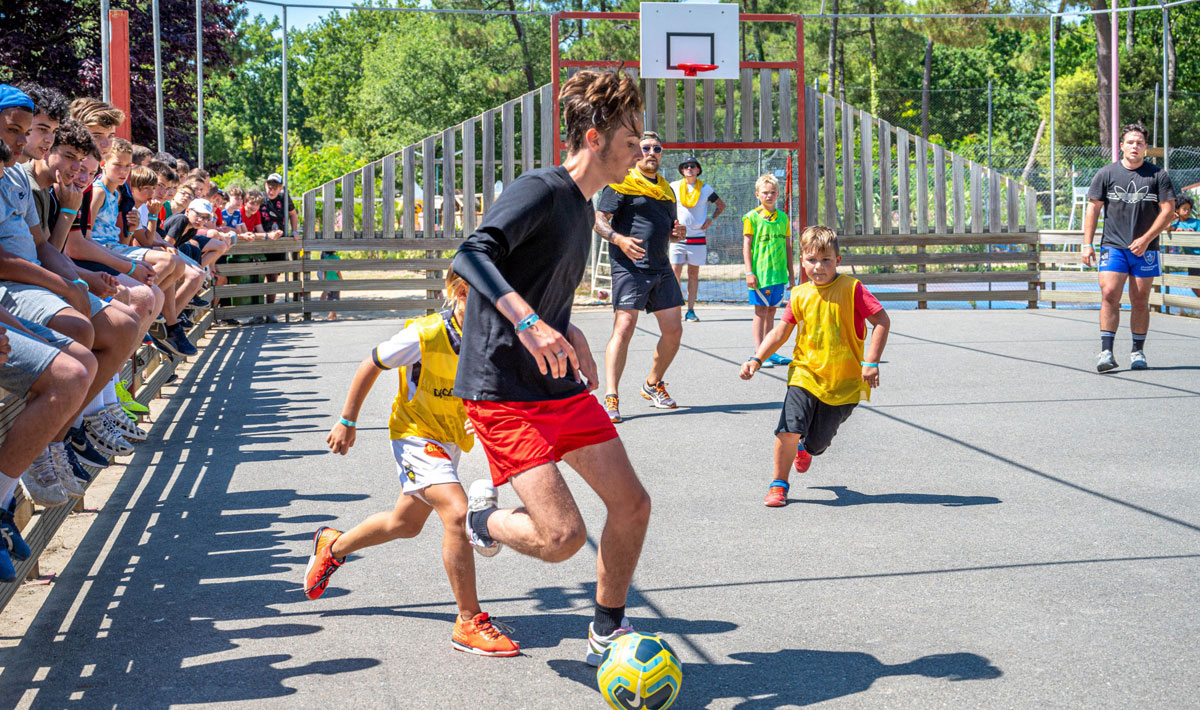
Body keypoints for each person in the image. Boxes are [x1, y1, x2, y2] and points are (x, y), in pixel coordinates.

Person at [450, 69, 652, 667]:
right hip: (503, 392)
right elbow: (472, 253)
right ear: (594, 138)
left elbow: (539, 281)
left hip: (557, 386)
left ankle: (606, 634)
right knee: (561, 539)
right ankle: (484, 521)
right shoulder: (542, 188)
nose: (641, 146)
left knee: (633, 505)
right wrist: (529, 323)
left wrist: (568, 327)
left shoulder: (585, 207)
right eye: (631, 136)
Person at [304, 270, 520, 656]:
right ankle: (469, 620)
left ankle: (332, 547)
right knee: (457, 513)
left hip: (449, 437)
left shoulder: (489, 334)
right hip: (415, 433)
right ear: (461, 291)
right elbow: (371, 363)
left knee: (403, 524)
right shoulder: (425, 333)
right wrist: (348, 421)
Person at [739, 225, 891, 508]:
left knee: (818, 443)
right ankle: (778, 484)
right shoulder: (799, 294)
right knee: (788, 427)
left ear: (838, 261)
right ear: (801, 260)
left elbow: (881, 321)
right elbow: (780, 332)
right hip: (804, 374)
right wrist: (756, 359)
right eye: (811, 260)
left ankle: (805, 449)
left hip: (843, 381)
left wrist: (871, 362)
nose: (818, 267)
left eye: (826, 260)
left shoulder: (852, 289)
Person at [595, 131, 687, 423]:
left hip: (661, 267)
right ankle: (611, 396)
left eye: (657, 148)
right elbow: (598, 221)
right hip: (629, 266)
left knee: (674, 330)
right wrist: (619, 240)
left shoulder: (666, 190)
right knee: (624, 326)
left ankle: (652, 384)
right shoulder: (621, 181)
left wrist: (676, 234)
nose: (651, 152)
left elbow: (668, 229)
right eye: (645, 147)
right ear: (635, 151)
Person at [1082, 122, 1176, 372]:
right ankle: (1106, 352)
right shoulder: (1106, 174)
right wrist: (1086, 244)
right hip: (1113, 246)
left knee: (1139, 299)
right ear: (1121, 146)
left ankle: (1137, 351)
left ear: (1146, 148)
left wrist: (1146, 239)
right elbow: (1093, 208)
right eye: (1130, 142)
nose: (1135, 146)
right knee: (1110, 293)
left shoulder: (1158, 175)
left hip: (1146, 250)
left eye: (1140, 143)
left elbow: (1168, 211)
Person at [744, 174, 795, 368]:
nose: (769, 195)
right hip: (760, 274)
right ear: (758, 194)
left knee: (772, 311)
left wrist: (791, 274)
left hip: (778, 274)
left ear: (778, 194)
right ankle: (759, 354)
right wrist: (750, 272)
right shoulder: (751, 217)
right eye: (765, 192)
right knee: (760, 311)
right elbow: (746, 247)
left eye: (773, 192)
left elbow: (788, 247)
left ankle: (770, 351)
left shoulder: (783, 218)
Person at [669, 156, 724, 321]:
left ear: (698, 170)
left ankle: (690, 310)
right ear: (682, 170)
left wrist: (711, 220)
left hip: (698, 237)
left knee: (693, 274)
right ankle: (675, 308)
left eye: (692, 166)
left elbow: (721, 205)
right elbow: (665, 204)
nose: (689, 168)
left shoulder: (705, 189)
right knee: (674, 273)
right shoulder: (673, 186)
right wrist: (670, 222)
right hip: (678, 238)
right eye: (685, 166)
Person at [1168, 195, 1200, 298]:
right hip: (1191, 260)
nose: (1187, 211)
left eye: (1189, 209)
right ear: (1177, 210)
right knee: (1194, 285)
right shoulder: (1176, 225)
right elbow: (1165, 227)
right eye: (1184, 209)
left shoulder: (1196, 222)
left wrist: (1190, 232)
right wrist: (1171, 219)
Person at [320, 251, 341, 321]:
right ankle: (333, 313)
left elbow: (324, 272)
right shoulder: (337, 258)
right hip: (336, 280)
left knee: (330, 297)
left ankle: (332, 313)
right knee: (335, 297)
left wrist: (324, 280)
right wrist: (341, 278)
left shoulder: (325, 259)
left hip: (328, 280)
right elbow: (338, 271)